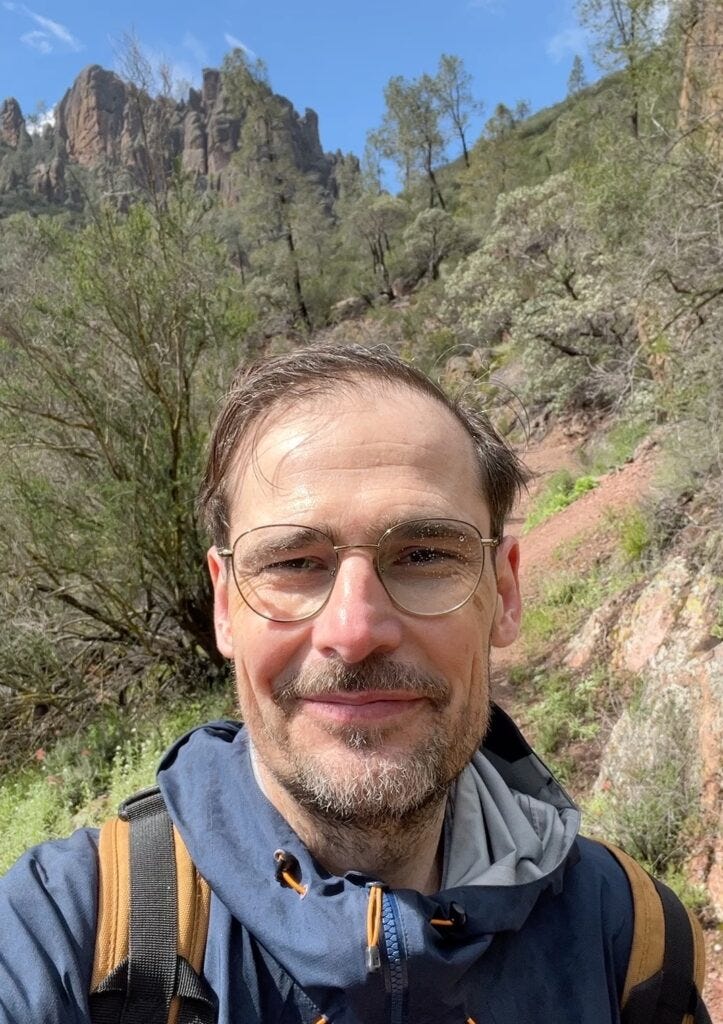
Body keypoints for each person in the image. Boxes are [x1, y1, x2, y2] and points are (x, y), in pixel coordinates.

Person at [0, 343, 709, 1023]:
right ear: (224, 605)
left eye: (425, 554)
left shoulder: (633, 938)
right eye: (294, 562)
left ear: (505, 590)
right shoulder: (64, 934)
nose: (356, 627)